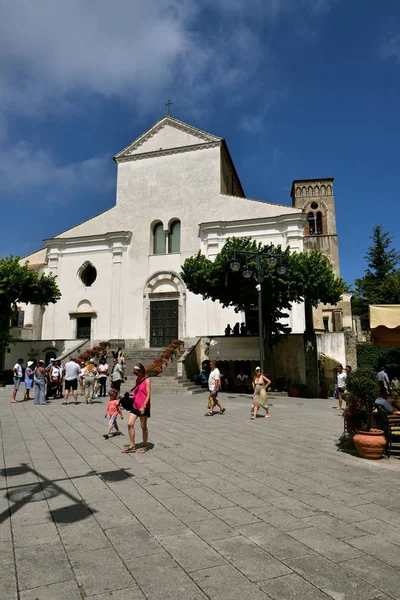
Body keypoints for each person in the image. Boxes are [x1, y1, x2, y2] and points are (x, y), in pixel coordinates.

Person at [122, 364, 151, 454]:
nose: (136, 374)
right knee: (130, 424)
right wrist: (130, 396)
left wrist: (144, 406)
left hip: (143, 407)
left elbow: (148, 395)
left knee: (143, 426)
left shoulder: (147, 380)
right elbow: (137, 392)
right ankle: (132, 445)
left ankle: (145, 446)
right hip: (135, 405)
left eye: (137, 372)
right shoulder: (137, 380)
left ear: (141, 371)